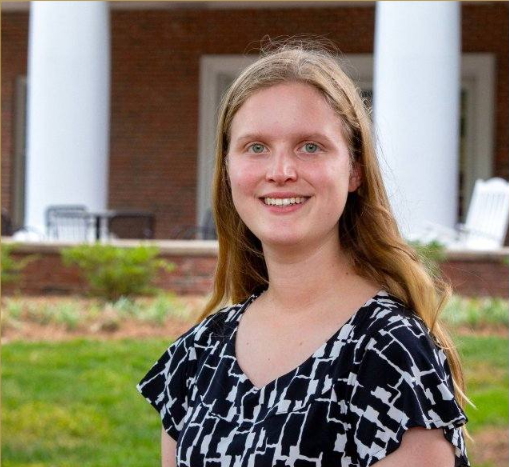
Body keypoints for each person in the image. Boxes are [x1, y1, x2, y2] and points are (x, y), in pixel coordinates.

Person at [137, 40, 470, 467]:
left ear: (354, 171)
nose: (281, 172)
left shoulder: (387, 352)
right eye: (256, 147)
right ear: (228, 170)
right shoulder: (198, 354)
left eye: (310, 146)